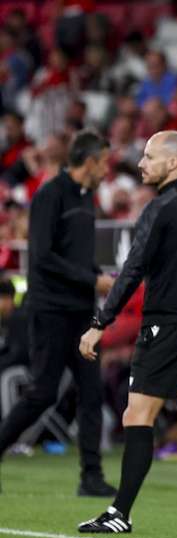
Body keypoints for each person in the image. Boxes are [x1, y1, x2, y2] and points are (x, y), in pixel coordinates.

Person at [76, 130, 177, 534]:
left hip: (166, 326)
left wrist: (98, 324)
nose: (141, 164)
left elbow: (132, 271)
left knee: (136, 415)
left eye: (148, 156)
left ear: (173, 163)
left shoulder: (159, 209)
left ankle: (119, 513)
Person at [0, 130, 116, 497]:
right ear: (91, 161)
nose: (107, 170)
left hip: (81, 311)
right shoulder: (50, 195)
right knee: (42, 393)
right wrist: (92, 279)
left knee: (91, 392)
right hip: (50, 310)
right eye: (104, 163)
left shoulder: (87, 198)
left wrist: (95, 276)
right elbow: (43, 257)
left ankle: (91, 476)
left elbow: (74, 256)